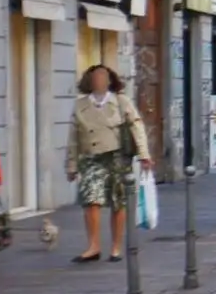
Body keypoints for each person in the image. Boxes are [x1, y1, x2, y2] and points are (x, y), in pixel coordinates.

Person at [65, 65, 152, 263]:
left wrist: (144, 155)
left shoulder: (121, 101)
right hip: (91, 157)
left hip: (117, 156)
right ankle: (93, 246)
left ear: (110, 80)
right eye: (95, 77)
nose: (99, 81)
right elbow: (73, 138)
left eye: (103, 77)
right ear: (89, 81)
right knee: (90, 200)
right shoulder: (80, 105)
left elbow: (136, 126)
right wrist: (71, 166)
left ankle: (116, 247)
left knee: (118, 201)